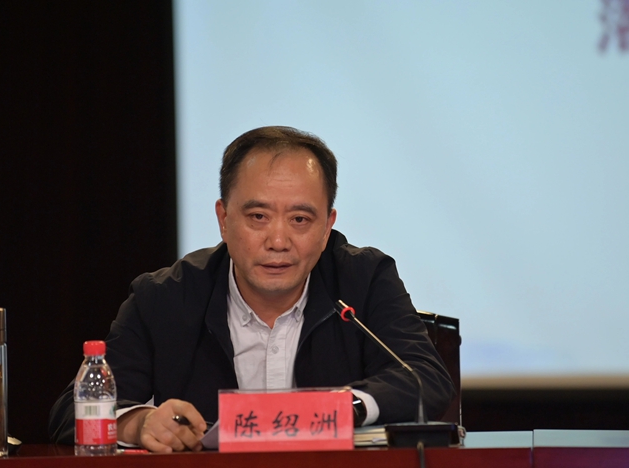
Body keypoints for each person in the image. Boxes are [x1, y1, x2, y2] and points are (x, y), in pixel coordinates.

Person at [48, 126, 455, 452]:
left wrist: (338, 409)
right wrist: (138, 423)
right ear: (224, 219)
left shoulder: (363, 280)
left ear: (327, 226)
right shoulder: (166, 297)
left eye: (300, 220)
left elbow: (425, 378)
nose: (278, 241)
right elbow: (71, 411)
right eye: (258, 216)